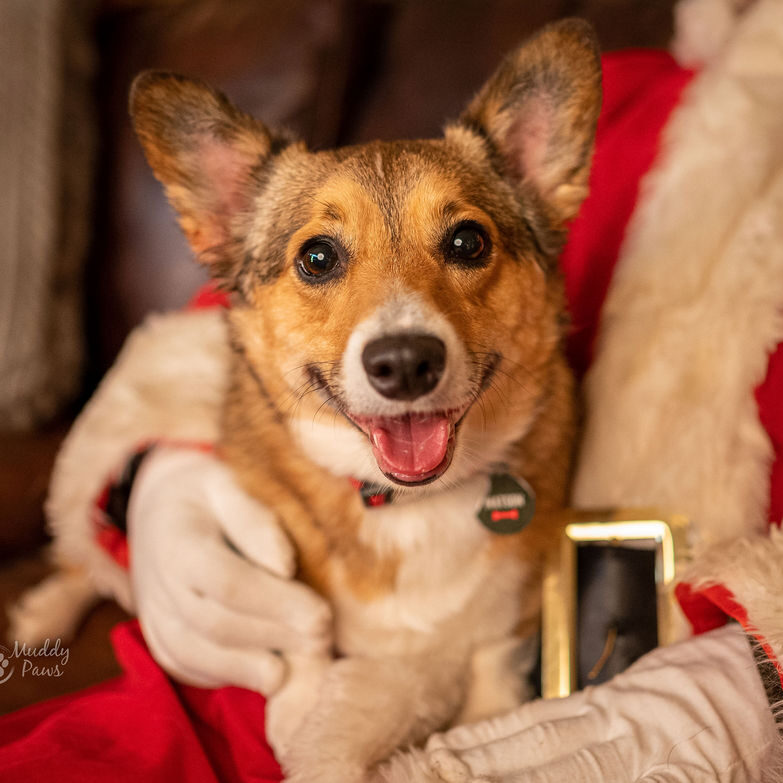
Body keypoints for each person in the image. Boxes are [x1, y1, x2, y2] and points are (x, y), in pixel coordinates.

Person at [4, 0, 783, 780]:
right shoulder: (650, 96)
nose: (400, 338)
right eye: (321, 259)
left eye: (462, 241)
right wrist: (150, 476)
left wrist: (758, 680)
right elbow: (224, 316)